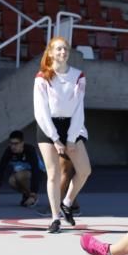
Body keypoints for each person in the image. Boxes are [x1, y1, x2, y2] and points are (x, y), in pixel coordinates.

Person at [33, 36, 91, 234]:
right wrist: (55, 138)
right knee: (53, 174)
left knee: (84, 170)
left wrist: (71, 138)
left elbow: (78, 109)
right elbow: (40, 111)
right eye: (58, 49)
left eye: (65, 49)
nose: (62, 52)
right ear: (50, 53)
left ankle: (67, 202)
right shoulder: (42, 77)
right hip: (48, 125)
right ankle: (55, 218)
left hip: (72, 125)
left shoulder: (78, 75)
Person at [0, 130, 42, 206]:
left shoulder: (29, 150)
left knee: (19, 176)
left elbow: (36, 170)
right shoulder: (9, 151)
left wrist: (33, 193)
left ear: (22, 143)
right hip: (23, 173)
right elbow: (1, 168)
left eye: (16, 144)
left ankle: (33, 197)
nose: (13, 146)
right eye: (11, 144)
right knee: (11, 181)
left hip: (39, 173)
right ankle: (27, 195)